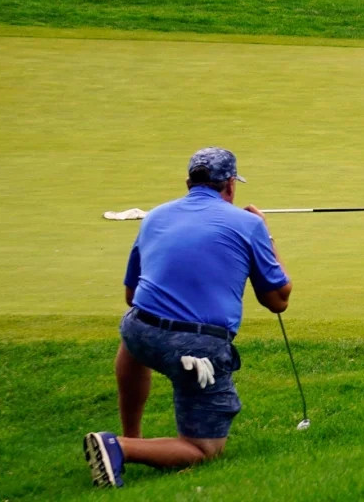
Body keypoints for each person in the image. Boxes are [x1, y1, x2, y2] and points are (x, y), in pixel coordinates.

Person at [83, 147, 292, 488]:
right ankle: (119, 446)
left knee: (135, 334)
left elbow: (131, 296)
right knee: (205, 449)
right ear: (230, 185)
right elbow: (278, 300)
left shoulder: (155, 216)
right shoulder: (249, 223)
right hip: (197, 346)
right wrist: (265, 232)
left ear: (188, 182)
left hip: (140, 331)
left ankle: (131, 437)